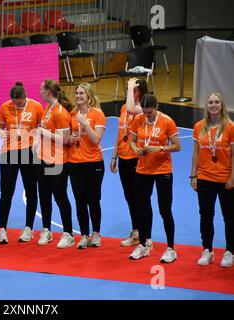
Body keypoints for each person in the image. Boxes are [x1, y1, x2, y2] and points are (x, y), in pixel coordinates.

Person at [128, 94, 181, 263]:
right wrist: (135, 149)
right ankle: (144, 245)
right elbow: (132, 140)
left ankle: (171, 248)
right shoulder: (138, 119)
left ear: (156, 107)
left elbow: (177, 146)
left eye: (150, 113)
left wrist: (160, 148)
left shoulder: (167, 121)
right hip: (143, 169)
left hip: (162, 169)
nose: (147, 115)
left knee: (165, 209)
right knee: (141, 208)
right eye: (144, 112)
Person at [0, 82, 44, 244]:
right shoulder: (5, 107)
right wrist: (2, 133)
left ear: (25, 96)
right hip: (9, 152)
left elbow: (41, 128)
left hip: (28, 152)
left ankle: (28, 228)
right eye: (15, 103)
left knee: (31, 190)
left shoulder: (36, 107)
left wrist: (36, 139)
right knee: (6, 192)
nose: (17, 105)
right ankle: (2, 229)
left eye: (20, 103)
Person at [190, 93, 234, 268]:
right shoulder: (199, 127)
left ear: (222, 106)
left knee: (229, 217)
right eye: (210, 102)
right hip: (205, 178)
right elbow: (196, 153)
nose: (213, 105)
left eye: (217, 102)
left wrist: (232, 177)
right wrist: (193, 175)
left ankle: (230, 251)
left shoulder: (230, 127)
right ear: (206, 106)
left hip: (225, 179)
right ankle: (207, 250)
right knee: (205, 216)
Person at [33, 80, 73, 248]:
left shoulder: (61, 112)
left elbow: (64, 140)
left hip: (57, 161)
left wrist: (43, 132)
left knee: (60, 197)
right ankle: (47, 230)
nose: (39, 91)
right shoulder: (47, 109)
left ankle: (68, 233)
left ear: (48, 91)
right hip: (43, 159)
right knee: (44, 195)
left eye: (41, 89)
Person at [110, 78, 148, 246]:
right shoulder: (125, 108)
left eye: (133, 90)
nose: (130, 92)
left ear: (141, 92)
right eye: (129, 90)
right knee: (129, 198)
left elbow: (133, 107)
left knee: (139, 197)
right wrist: (114, 156)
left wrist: (131, 86)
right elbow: (120, 133)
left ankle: (143, 232)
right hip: (123, 158)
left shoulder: (141, 108)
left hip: (136, 159)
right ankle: (136, 231)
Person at [68, 83, 106, 249]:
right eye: (76, 93)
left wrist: (85, 124)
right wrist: (70, 138)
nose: (78, 96)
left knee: (93, 199)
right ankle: (84, 234)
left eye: (81, 93)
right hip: (75, 163)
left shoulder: (97, 114)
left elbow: (96, 139)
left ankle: (96, 233)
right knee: (79, 201)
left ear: (89, 96)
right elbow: (71, 137)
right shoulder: (72, 114)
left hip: (93, 163)